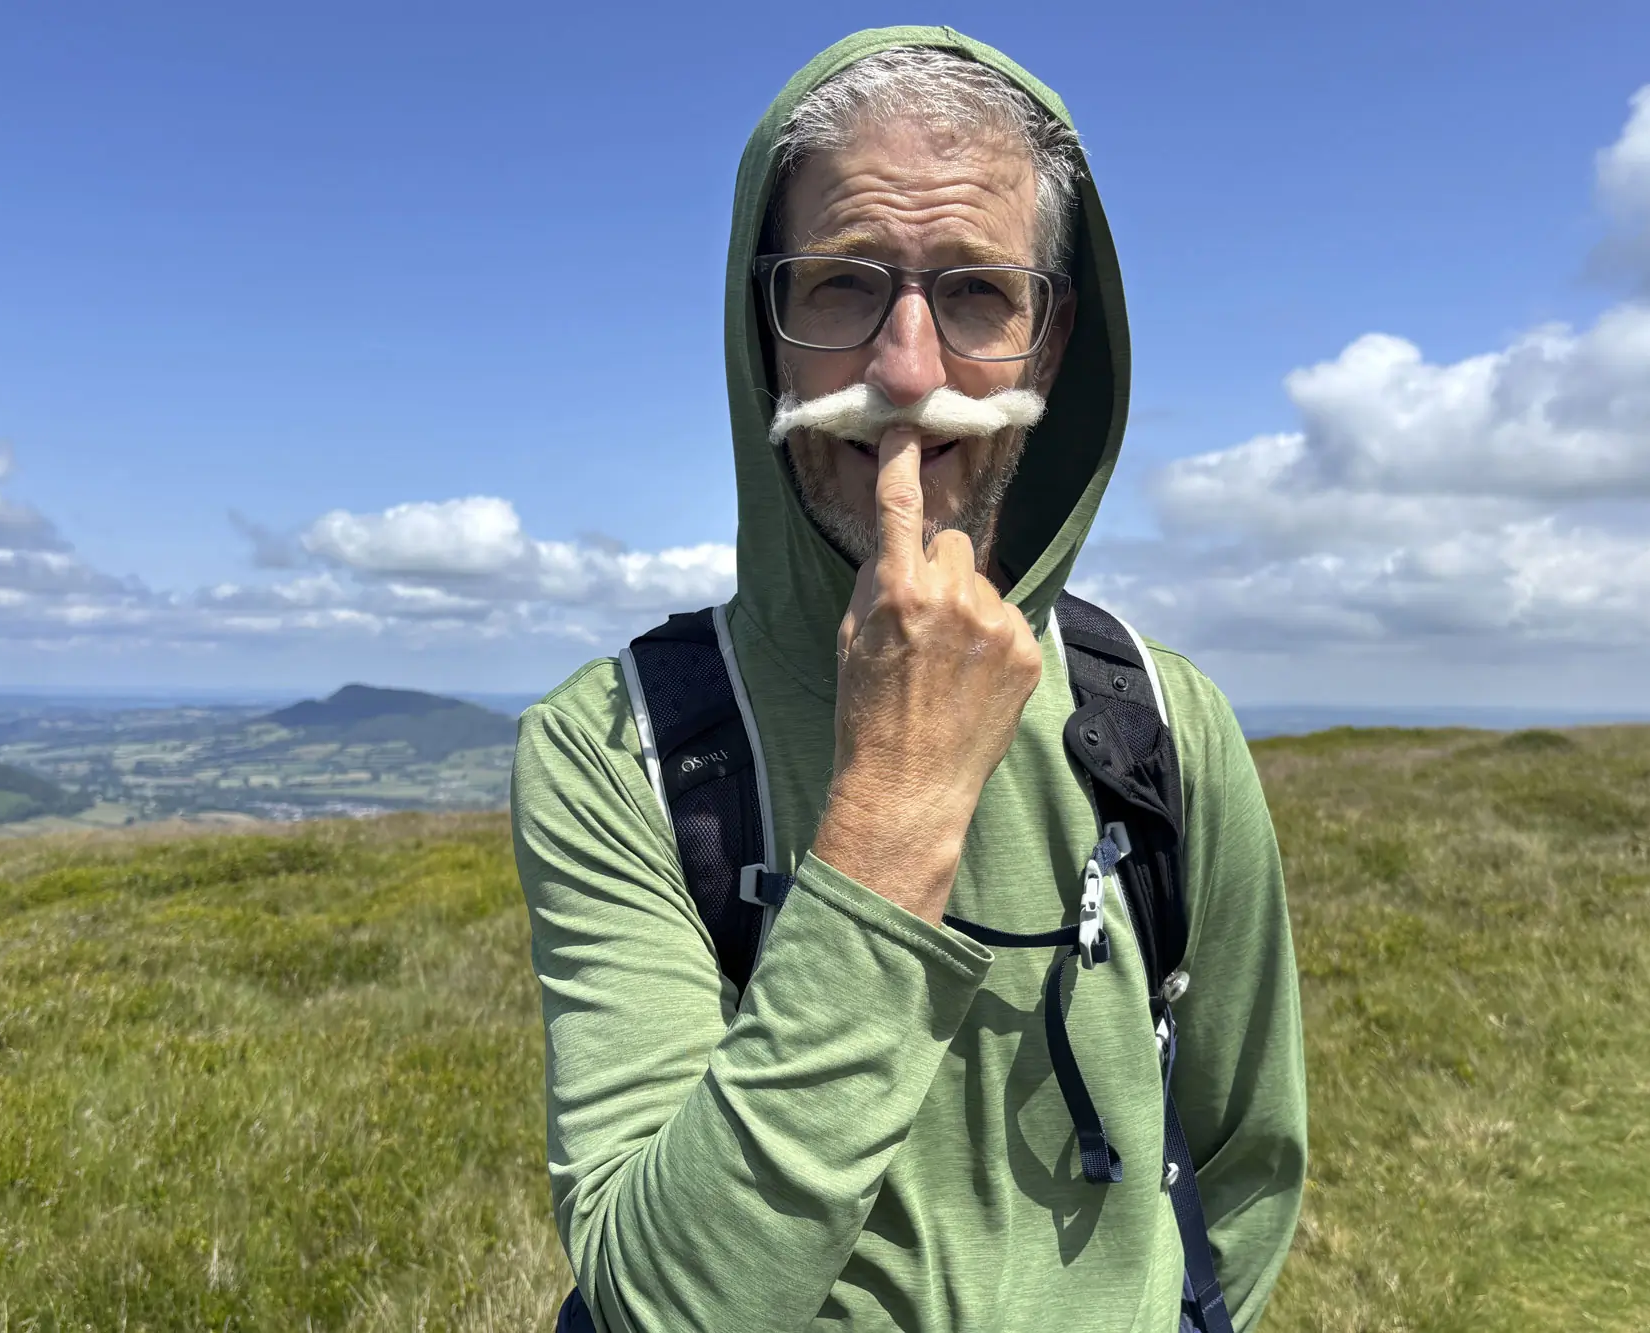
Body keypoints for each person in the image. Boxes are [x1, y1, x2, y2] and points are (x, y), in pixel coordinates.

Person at [512, 27, 1307, 1332]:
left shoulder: (1161, 725)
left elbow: (1247, 1171)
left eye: (981, 295)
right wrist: (896, 802)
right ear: (755, 334)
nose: (909, 374)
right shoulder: (612, 753)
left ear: (1050, 351)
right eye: (841, 287)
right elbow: (661, 1307)